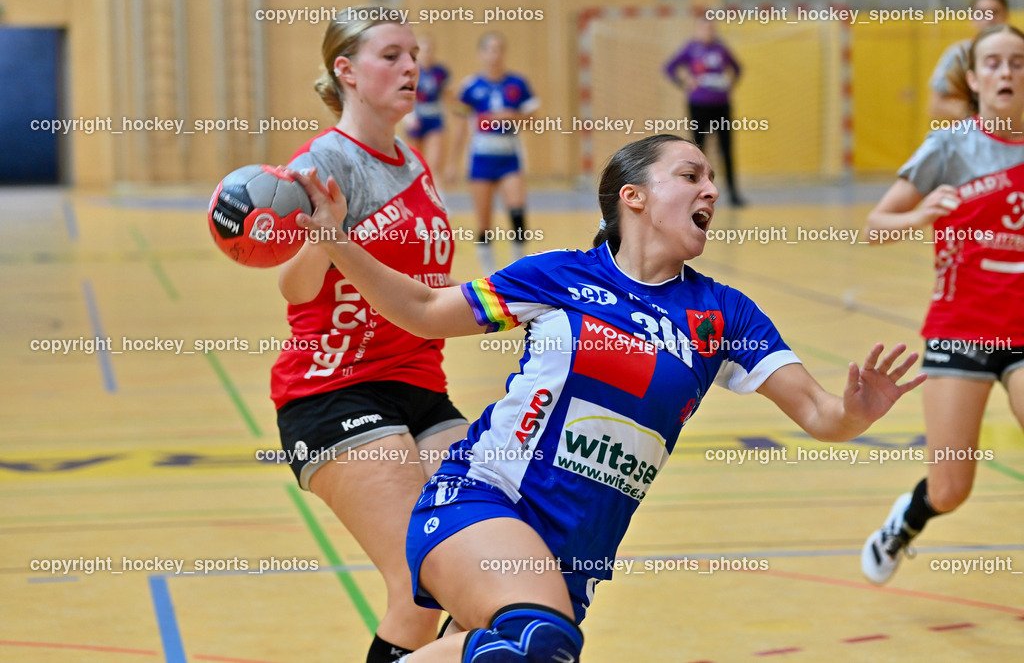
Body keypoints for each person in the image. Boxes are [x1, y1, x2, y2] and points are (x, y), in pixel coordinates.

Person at [287, 132, 924, 660]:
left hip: (574, 555)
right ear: (635, 197)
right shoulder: (561, 276)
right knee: (538, 641)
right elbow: (425, 308)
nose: (711, 187)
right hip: (482, 501)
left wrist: (854, 414)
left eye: (712, 178)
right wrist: (336, 240)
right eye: (690, 174)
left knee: (530, 647)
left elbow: (818, 412)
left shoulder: (725, 315)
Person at [269, 7, 469, 662]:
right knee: (425, 582)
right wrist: (324, 239)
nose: (411, 66)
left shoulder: (413, 161)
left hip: (420, 387)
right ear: (346, 71)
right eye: (391, 55)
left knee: (480, 577)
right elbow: (295, 289)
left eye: (414, 54)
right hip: (337, 393)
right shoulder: (323, 163)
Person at [861, 23, 1024, 584]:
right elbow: (876, 225)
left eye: (1018, 62)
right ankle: (906, 522)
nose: (1007, 72)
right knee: (952, 488)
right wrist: (920, 215)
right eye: (995, 63)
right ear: (975, 80)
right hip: (963, 330)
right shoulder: (951, 146)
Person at [448, 31, 539, 274]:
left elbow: (533, 120)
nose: (494, 54)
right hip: (481, 159)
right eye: (489, 49)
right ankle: (489, 274)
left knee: (517, 212)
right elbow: (459, 126)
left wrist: (514, 116)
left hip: (510, 157)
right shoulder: (471, 86)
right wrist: (452, 163)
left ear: (503, 53)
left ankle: (517, 269)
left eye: (499, 49)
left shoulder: (517, 83)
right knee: (484, 222)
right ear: (481, 54)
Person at [665, 16, 745, 206]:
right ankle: (695, 193)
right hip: (699, 105)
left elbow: (737, 68)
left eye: (711, 28)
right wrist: (685, 82)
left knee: (726, 148)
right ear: (698, 29)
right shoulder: (691, 48)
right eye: (704, 28)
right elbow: (670, 68)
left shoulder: (721, 48)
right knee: (698, 149)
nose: (708, 31)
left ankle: (733, 194)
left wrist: (730, 84)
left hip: (721, 106)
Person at [927, 0, 1009, 120]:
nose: (988, 19)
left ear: (1006, 15)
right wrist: (980, 114)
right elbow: (936, 105)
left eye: (994, 12)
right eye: (981, 13)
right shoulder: (958, 54)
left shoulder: (1018, 53)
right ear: (972, 18)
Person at [404, 34, 451, 189]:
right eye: (423, 50)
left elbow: (449, 97)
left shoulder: (440, 72)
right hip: (415, 120)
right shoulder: (409, 71)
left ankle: (439, 199)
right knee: (414, 163)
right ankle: (416, 196)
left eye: (429, 50)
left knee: (434, 162)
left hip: (434, 120)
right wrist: (409, 117)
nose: (427, 53)